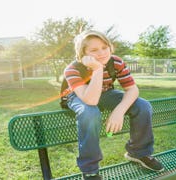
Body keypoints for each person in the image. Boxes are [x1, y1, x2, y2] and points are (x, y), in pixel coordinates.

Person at [62, 30, 164, 179]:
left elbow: (132, 89)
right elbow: (90, 100)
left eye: (105, 47)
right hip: (80, 96)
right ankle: (90, 169)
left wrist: (119, 111)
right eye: (94, 50)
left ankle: (139, 153)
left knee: (143, 106)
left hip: (106, 93)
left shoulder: (116, 62)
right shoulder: (73, 69)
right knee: (90, 113)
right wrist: (97, 69)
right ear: (83, 53)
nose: (102, 53)